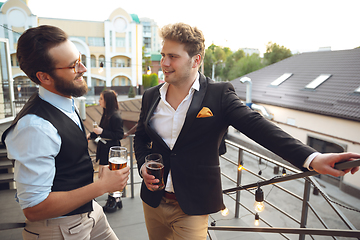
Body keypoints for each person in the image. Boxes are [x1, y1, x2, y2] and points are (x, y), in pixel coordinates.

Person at [134, 22, 360, 240]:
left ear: (196, 61)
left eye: (172, 56)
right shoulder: (151, 95)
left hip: (193, 206)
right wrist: (143, 165)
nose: (164, 62)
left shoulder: (219, 95)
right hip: (152, 201)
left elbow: (260, 128)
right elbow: (141, 138)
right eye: (163, 55)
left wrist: (313, 157)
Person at [2, 25, 129, 240]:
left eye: (80, 60)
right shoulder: (35, 127)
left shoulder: (64, 102)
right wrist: (102, 187)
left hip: (89, 213)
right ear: (44, 77)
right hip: (60, 229)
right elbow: (34, 208)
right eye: (73, 65)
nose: (83, 69)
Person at [87, 90, 124, 213]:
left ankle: (115, 200)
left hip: (111, 150)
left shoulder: (115, 116)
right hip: (105, 149)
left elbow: (119, 134)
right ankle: (115, 200)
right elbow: (102, 130)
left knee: (108, 175)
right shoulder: (107, 113)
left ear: (107, 100)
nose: (99, 101)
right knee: (105, 175)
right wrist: (91, 135)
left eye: (101, 98)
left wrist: (101, 132)